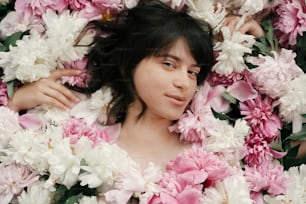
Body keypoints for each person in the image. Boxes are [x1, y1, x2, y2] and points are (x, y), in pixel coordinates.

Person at [4, 0, 266, 168]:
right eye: (169, 64)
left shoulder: (213, 146)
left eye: (193, 72)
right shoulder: (74, 132)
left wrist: (258, 44)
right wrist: (14, 103)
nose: (184, 83)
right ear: (130, 62)